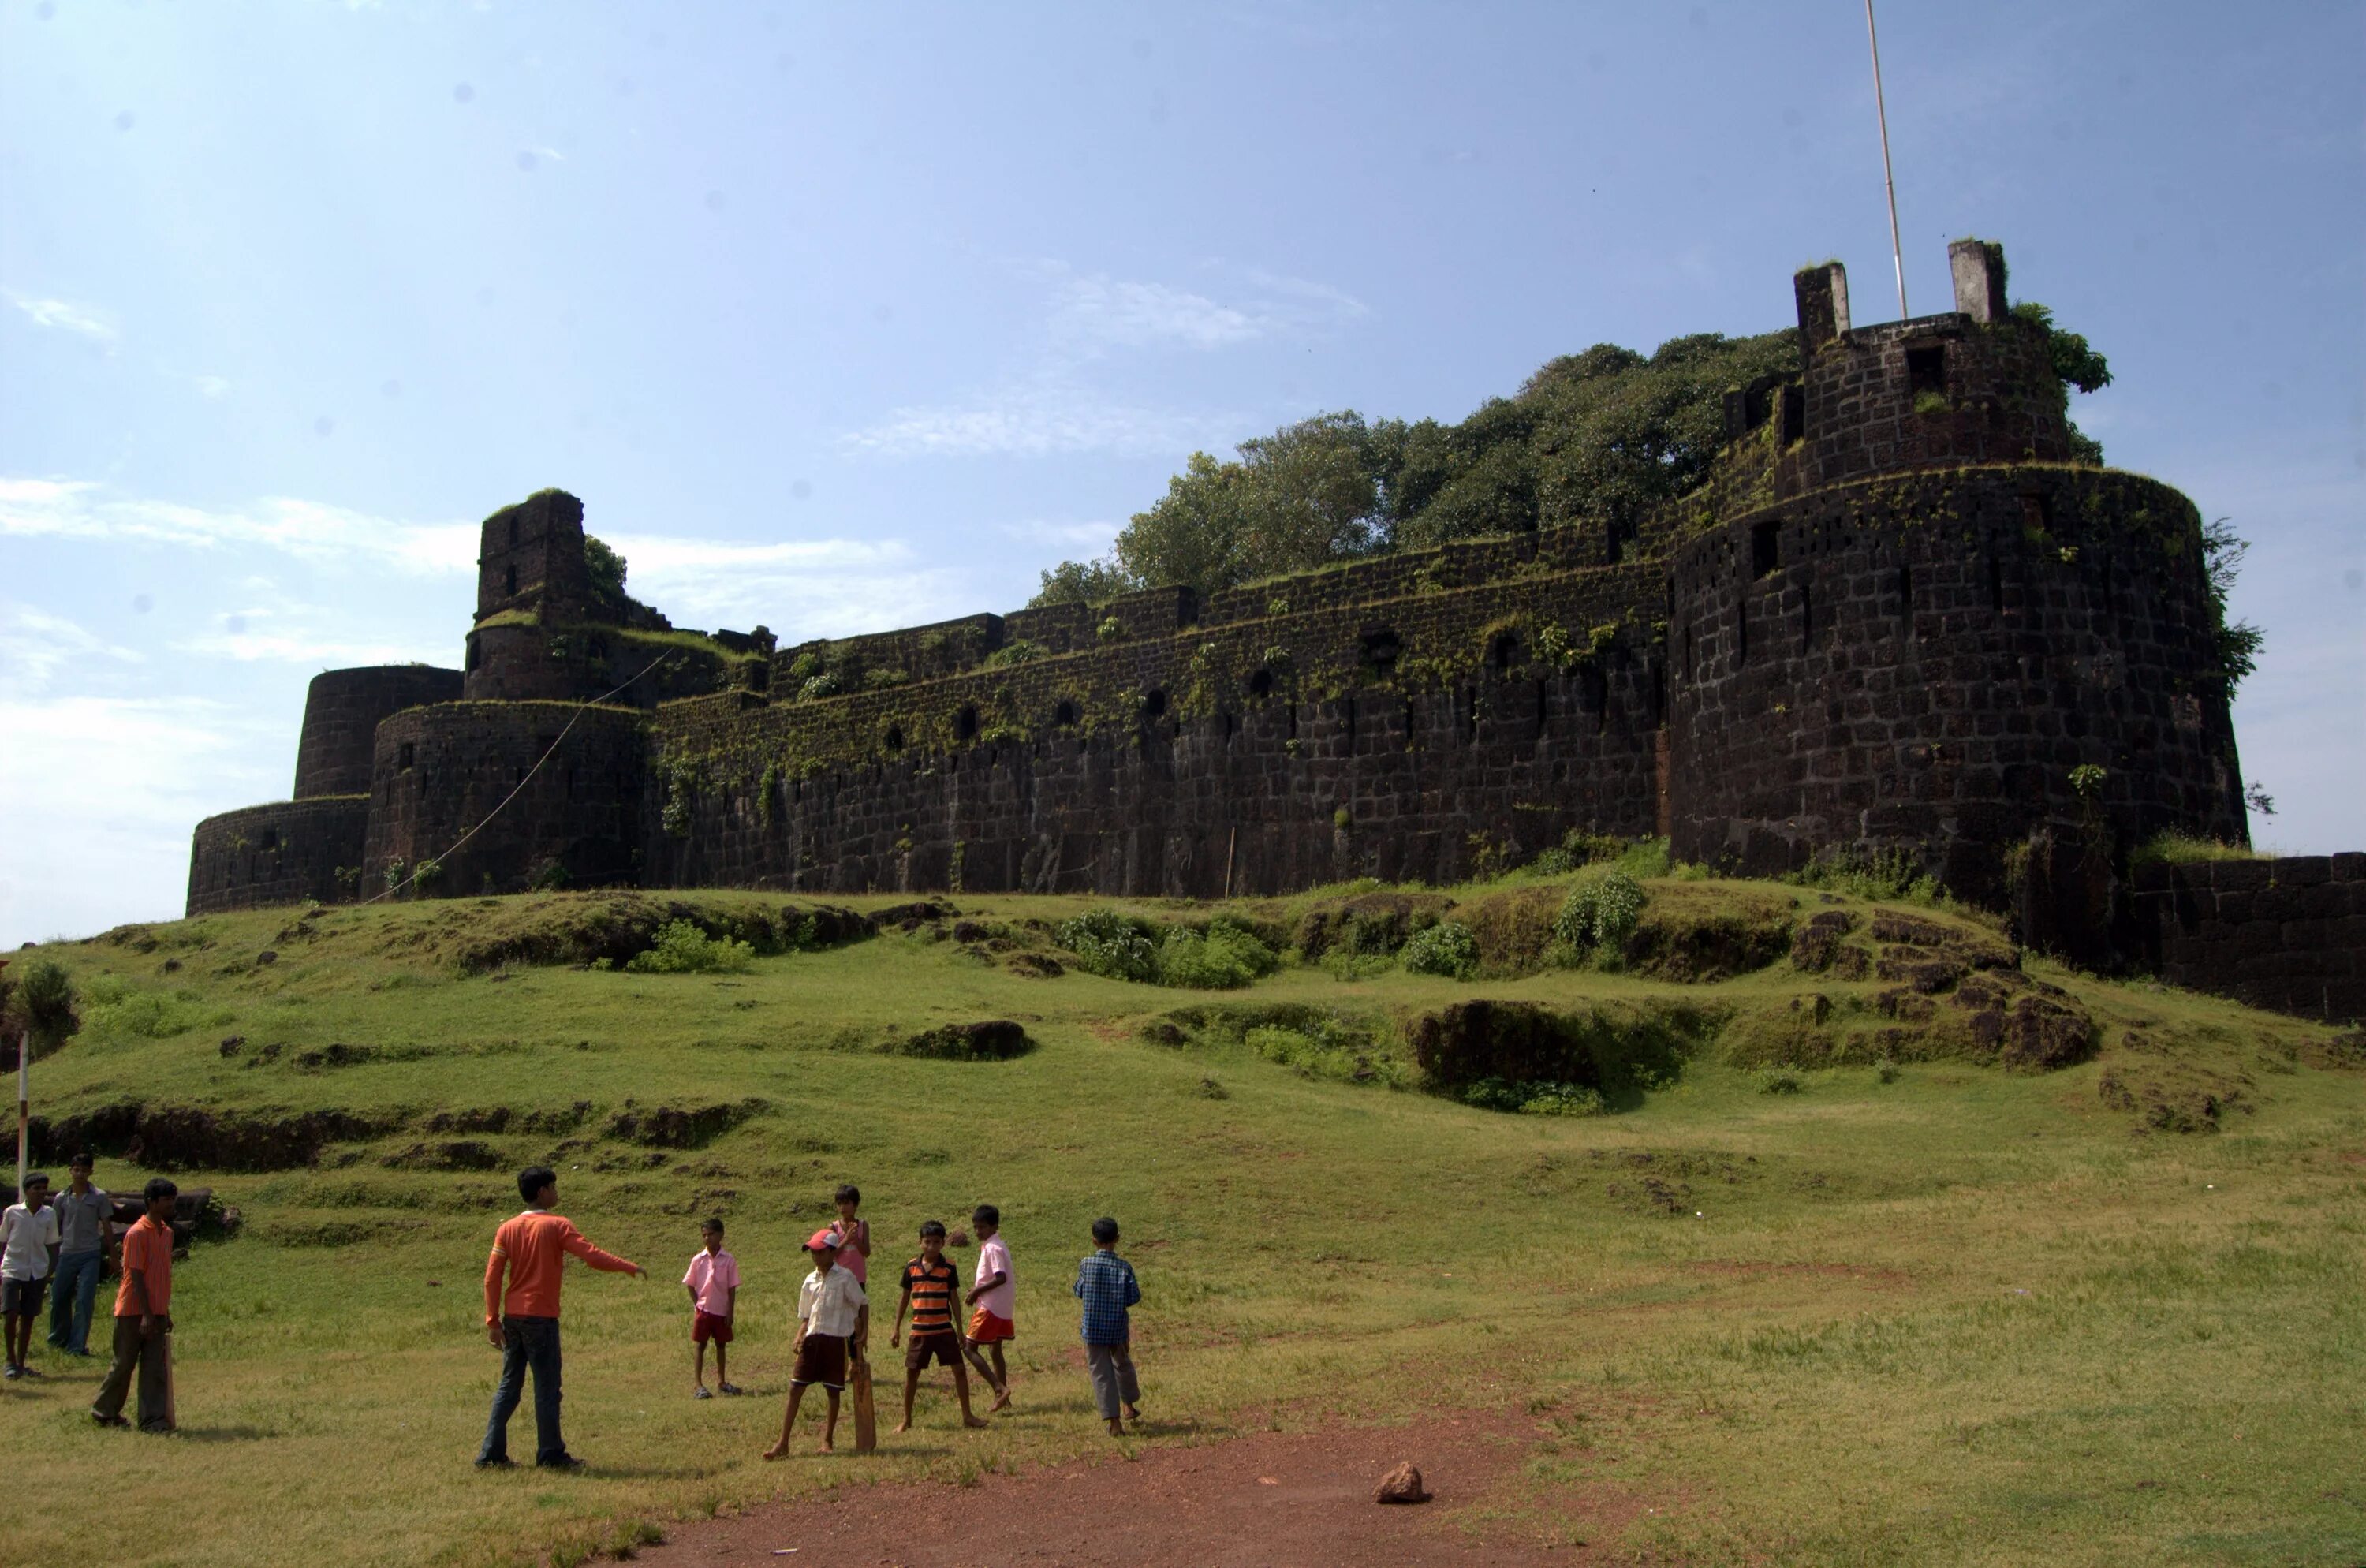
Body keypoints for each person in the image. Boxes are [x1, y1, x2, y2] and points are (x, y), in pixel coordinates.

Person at [476, 1165, 644, 1471]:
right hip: (541, 1318)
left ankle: (491, 1454)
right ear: (542, 1192)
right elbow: (591, 1256)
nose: (557, 1192)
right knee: (547, 1387)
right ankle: (550, 1454)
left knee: (509, 1386)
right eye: (553, 1187)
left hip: (513, 1316)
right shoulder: (558, 1225)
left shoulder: (507, 1229)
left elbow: (492, 1277)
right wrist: (627, 1266)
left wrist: (492, 1320)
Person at [763, 1230, 867, 1458]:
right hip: (812, 1340)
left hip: (835, 1340)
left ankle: (828, 1439)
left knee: (833, 1391)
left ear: (832, 1252)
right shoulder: (810, 1280)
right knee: (795, 1388)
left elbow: (862, 1302)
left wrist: (863, 1332)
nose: (815, 1257)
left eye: (819, 1252)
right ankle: (783, 1443)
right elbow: (806, 1315)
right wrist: (799, 1335)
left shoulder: (845, 1277)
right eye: (812, 1253)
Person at [91, 1178, 177, 1431]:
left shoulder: (167, 1233)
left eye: (173, 1199)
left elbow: (161, 1276)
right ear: (151, 1202)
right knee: (124, 1364)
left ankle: (152, 1419)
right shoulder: (137, 1233)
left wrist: (163, 1312)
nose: (171, 1204)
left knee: (154, 1369)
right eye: (166, 1200)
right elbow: (136, 1275)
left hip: (157, 1310)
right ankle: (104, 1411)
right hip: (133, 1310)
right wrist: (147, 1315)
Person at [888, 1220, 989, 1433]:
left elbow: (954, 1299)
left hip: (944, 1329)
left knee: (960, 1371)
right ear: (920, 1243)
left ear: (943, 1243)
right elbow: (904, 1299)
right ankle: (906, 1419)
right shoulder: (911, 1267)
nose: (931, 1247)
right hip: (920, 1331)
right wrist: (896, 1328)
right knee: (912, 1375)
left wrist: (960, 1330)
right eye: (927, 1242)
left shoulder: (949, 1267)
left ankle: (967, 1415)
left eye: (936, 1242)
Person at [1073, 1215, 1142, 1438]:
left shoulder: (1086, 1264)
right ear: (1118, 1239)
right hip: (1117, 1328)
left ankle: (1114, 1422)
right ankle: (1129, 1405)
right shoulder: (1124, 1267)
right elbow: (1133, 1297)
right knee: (1122, 1365)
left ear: (1094, 1241)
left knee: (1101, 1372)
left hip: (1092, 1329)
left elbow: (1079, 1291)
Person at [47, 1152, 112, 1357]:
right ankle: (58, 1339)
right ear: (70, 1171)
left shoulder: (99, 1196)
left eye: (84, 1170)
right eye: (77, 1170)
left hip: (90, 1254)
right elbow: (54, 1228)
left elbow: (107, 1227)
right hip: (66, 1253)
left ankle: (77, 1346)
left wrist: (114, 1257)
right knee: (59, 1297)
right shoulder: (61, 1198)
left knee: (84, 1299)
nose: (80, 1174)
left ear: (91, 1172)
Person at [2, 1171, 59, 1379]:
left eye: (44, 1189)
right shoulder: (12, 1212)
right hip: (13, 1267)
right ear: (27, 1191)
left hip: (37, 1270)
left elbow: (53, 1244)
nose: (41, 1193)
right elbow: (3, 1241)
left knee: (28, 1318)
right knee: (10, 1313)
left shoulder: (49, 1214)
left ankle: (21, 1363)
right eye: (36, 1189)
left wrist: (49, 1271)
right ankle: (9, 1359)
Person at [961, 1202, 1014, 1408]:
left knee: (968, 1347)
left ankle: (999, 1388)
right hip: (1002, 1305)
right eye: (975, 1227)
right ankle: (1005, 1400)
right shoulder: (996, 1245)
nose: (977, 1231)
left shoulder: (993, 1248)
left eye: (982, 1227)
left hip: (991, 1306)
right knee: (995, 1349)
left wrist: (977, 1291)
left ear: (994, 1227)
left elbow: (1000, 1277)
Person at [683, 1215, 741, 1399]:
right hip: (704, 1310)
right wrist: (697, 1304)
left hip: (721, 1310)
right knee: (701, 1344)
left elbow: (732, 1288)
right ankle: (698, 1384)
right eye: (704, 1235)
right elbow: (690, 1284)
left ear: (721, 1235)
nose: (707, 1238)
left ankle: (722, 1381)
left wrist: (730, 1311)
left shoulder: (729, 1260)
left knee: (721, 1345)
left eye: (711, 1234)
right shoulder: (698, 1259)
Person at [824, 1183, 870, 1286]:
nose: (842, 1207)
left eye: (846, 1203)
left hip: (858, 1279)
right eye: (839, 1204)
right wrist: (847, 1239)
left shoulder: (863, 1225)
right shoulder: (834, 1227)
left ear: (855, 1205)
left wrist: (856, 1239)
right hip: (839, 1279)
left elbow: (866, 1252)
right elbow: (830, 1255)